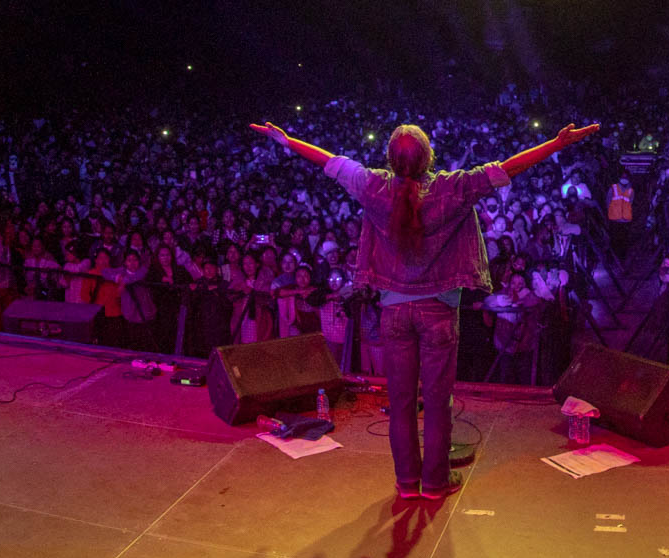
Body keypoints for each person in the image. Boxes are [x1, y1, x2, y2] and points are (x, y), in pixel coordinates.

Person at [253, 117, 597, 502]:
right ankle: (434, 483)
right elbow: (507, 168)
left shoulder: (374, 186)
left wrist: (286, 141)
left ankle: (406, 484)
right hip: (438, 312)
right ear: (428, 156)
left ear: (390, 159)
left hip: (394, 312)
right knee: (437, 403)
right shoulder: (452, 187)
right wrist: (556, 142)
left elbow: (330, 161)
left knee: (400, 405)